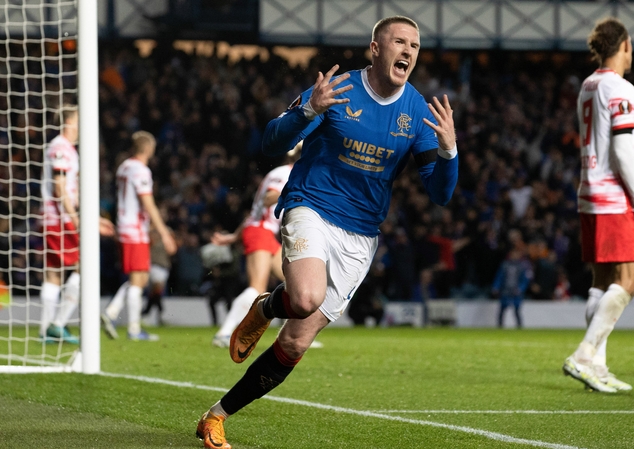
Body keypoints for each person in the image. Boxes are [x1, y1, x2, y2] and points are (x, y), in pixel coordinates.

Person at [195, 15, 458, 449]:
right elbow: (270, 144)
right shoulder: (337, 91)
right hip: (311, 206)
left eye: (415, 45)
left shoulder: (415, 112)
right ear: (375, 49)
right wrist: (308, 110)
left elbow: (441, 194)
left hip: (360, 235)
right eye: (399, 41)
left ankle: (216, 415)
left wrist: (448, 151)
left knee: (296, 342)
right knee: (303, 299)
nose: (408, 51)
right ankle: (269, 305)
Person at [561, 18, 634, 393]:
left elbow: (605, 148)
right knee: (630, 279)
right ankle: (585, 355)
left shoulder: (588, 86)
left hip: (590, 193)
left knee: (602, 283)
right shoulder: (622, 88)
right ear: (624, 45)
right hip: (613, 197)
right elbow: (622, 149)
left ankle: (597, 367)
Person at [208, 144, 300, 348]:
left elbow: (255, 211)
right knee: (257, 288)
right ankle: (224, 332)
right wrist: (297, 187)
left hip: (262, 231)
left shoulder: (288, 173)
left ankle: (291, 337)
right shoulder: (286, 174)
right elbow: (268, 198)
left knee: (295, 284)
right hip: (261, 232)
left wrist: (233, 237)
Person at [40, 107, 115, 344]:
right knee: (84, 266)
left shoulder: (66, 149)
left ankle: (46, 331)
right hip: (60, 218)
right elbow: (60, 187)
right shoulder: (61, 147)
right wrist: (76, 218)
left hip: (56, 217)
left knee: (54, 275)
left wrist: (93, 218)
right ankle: (57, 324)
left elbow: (72, 191)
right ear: (71, 122)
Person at [102, 131, 177, 341]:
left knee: (141, 277)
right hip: (134, 229)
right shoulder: (140, 170)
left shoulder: (124, 166)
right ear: (149, 149)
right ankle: (134, 329)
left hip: (125, 226)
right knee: (138, 279)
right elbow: (148, 202)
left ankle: (111, 312)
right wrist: (164, 233)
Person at [491, 247, 533, 328]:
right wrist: (496, 287)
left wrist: (520, 289)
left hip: (516, 291)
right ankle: (500, 326)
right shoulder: (504, 265)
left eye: (516, 254)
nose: (514, 256)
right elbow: (499, 277)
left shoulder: (522, 266)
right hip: (505, 290)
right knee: (502, 309)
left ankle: (519, 326)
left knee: (517, 310)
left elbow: (524, 280)